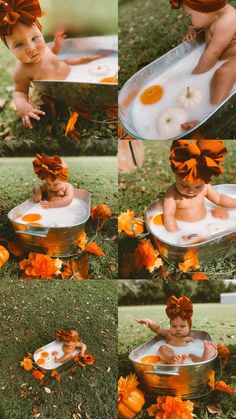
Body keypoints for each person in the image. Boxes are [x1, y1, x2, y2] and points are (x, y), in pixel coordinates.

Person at [0, 0, 103, 128]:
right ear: (10, 49)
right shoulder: (21, 71)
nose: (31, 48)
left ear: (41, 34)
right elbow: (19, 91)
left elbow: (52, 53)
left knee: (87, 61)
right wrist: (23, 107)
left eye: (34, 38)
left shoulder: (44, 50)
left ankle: (99, 58)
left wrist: (57, 45)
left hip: (68, 66)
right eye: (19, 44)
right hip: (59, 89)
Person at [163, 139, 236, 233]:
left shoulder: (205, 187)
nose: (191, 191)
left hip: (207, 223)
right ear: (176, 176)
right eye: (184, 186)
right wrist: (176, 234)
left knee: (223, 215)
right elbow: (169, 215)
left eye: (197, 187)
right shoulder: (172, 193)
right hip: (186, 230)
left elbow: (220, 199)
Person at [136, 295, 217, 364]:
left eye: (182, 326)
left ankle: (203, 359)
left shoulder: (191, 336)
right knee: (162, 348)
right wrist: (149, 322)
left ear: (189, 327)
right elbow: (158, 329)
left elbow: (195, 346)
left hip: (186, 355)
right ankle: (172, 360)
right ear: (170, 326)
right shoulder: (168, 334)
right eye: (174, 326)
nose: (178, 329)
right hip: (171, 352)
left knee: (192, 355)